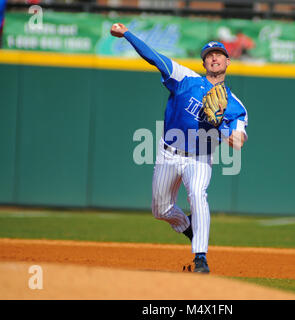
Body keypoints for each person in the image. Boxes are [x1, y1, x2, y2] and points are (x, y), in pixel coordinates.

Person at [110, 23, 248, 273]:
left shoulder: (234, 105)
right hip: (168, 153)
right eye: (209, 55)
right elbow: (154, 57)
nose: (214, 57)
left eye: (218, 54)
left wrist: (224, 130)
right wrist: (127, 34)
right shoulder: (185, 78)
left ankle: (200, 257)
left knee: (198, 195)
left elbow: (239, 140)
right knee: (160, 209)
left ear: (227, 61)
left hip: (199, 158)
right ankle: (190, 228)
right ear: (204, 63)